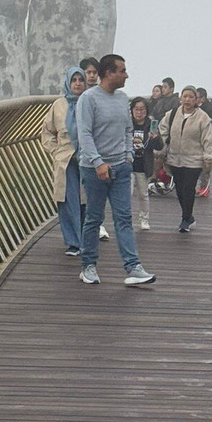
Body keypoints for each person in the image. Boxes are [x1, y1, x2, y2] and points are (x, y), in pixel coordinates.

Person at [75, 54, 156, 286]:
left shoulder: (122, 99)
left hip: (121, 168)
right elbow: (85, 134)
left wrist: (128, 157)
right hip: (94, 169)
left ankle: (133, 268)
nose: (126, 75)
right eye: (122, 70)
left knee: (124, 217)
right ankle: (88, 266)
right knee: (94, 217)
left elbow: (128, 130)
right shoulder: (88, 99)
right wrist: (98, 162)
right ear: (108, 73)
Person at [40, 67, 86, 255]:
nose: (77, 83)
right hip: (65, 159)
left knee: (86, 200)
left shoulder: (90, 102)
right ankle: (73, 242)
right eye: (73, 79)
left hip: (86, 159)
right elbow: (47, 132)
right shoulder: (58, 105)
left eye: (80, 79)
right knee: (67, 200)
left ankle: (86, 238)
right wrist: (56, 151)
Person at [163, 85, 212, 232]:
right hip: (175, 158)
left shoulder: (203, 118)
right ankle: (189, 217)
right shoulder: (172, 114)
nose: (187, 100)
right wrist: (160, 151)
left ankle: (185, 219)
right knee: (180, 189)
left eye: (191, 97)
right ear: (180, 98)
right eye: (185, 96)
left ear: (196, 100)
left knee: (188, 188)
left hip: (194, 160)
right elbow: (163, 131)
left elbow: (208, 139)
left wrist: (208, 158)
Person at [80, 55, 111, 242]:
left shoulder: (103, 96)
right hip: (77, 155)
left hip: (99, 154)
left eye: (94, 72)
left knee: (95, 193)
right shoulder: (77, 97)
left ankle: (97, 225)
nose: (91, 76)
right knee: (81, 194)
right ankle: (86, 227)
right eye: (88, 73)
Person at [130, 96, 162, 231]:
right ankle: (126, 219)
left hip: (143, 165)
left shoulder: (151, 125)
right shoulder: (127, 124)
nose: (139, 112)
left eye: (142, 109)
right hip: (129, 164)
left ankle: (144, 219)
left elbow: (159, 146)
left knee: (143, 194)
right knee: (127, 194)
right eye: (136, 109)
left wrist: (155, 138)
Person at [195, 88, 212, 197]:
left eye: (196, 97)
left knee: (205, 165)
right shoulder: (194, 109)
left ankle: (204, 187)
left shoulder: (209, 109)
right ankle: (200, 186)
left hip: (205, 141)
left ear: (202, 98)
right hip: (196, 141)